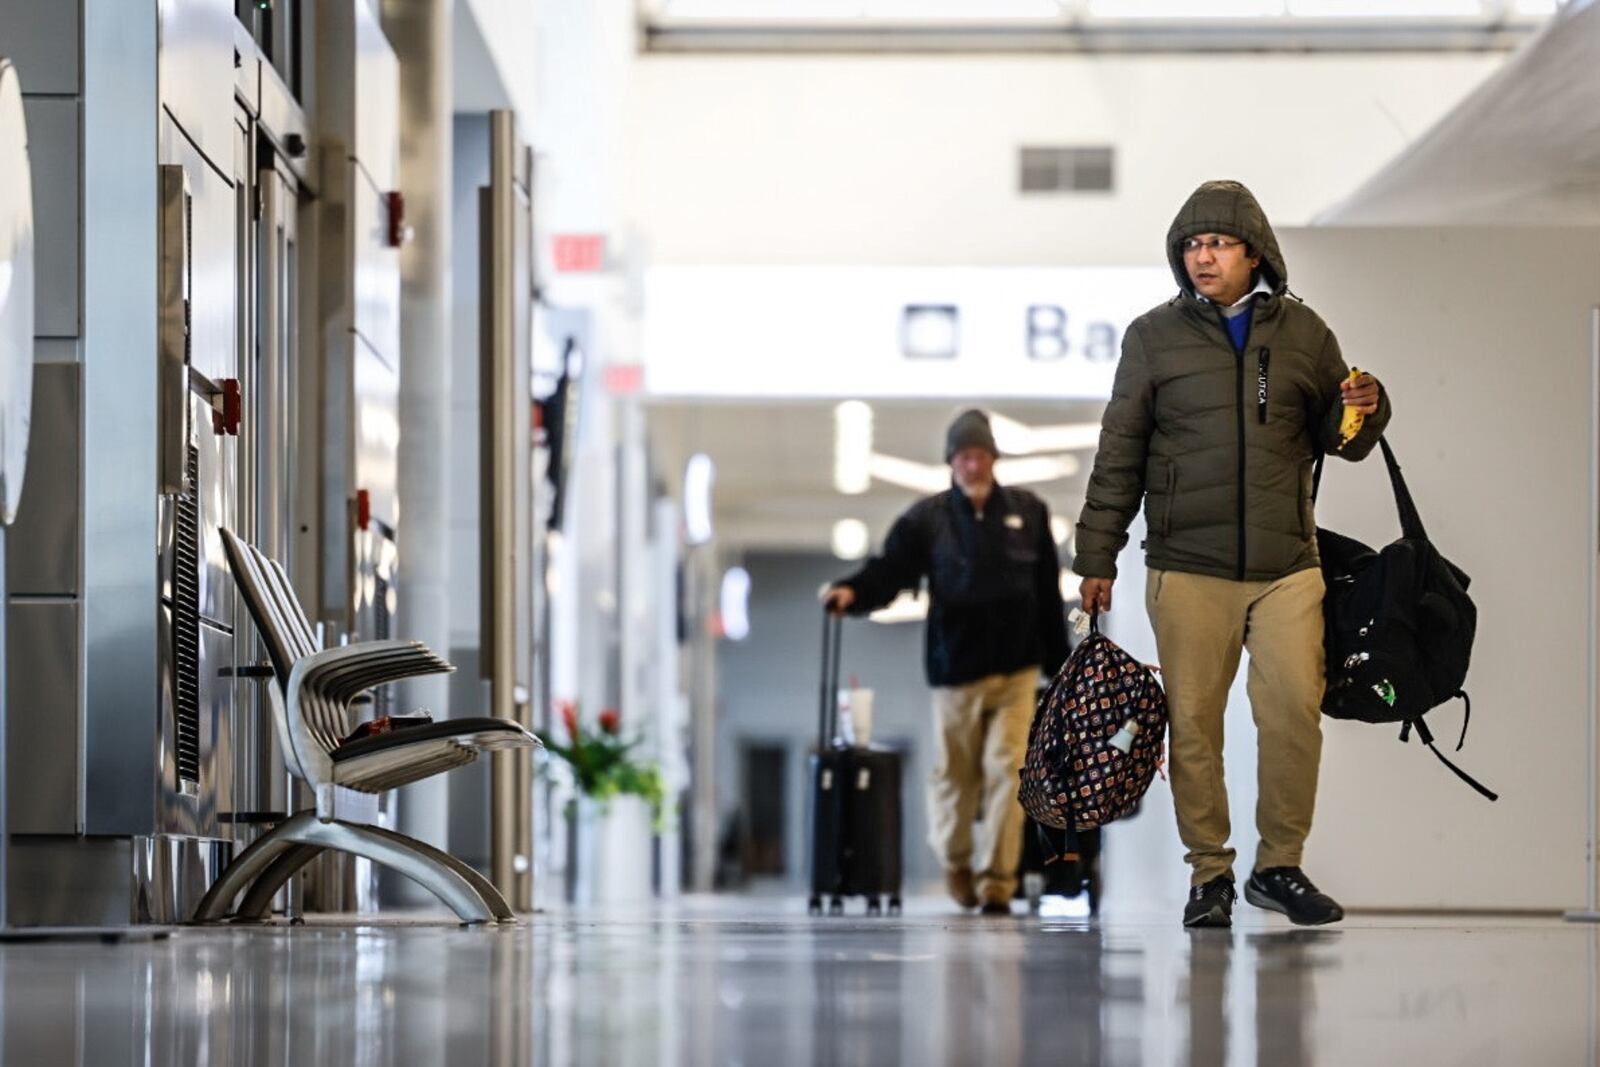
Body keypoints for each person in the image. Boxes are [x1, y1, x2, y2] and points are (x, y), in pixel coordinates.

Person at [1074, 179, 1390, 929]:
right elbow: (1119, 451)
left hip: (1287, 563)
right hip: (1187, 562)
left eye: (1216, 243)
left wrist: (1367, 411)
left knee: (1291, 716)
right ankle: (1209, 873)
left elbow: (1336, 440)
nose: (1201, 257)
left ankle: (1279, 865)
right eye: (1190, 245)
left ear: (1255, 252)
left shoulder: (1305, 334)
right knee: (1195, 725)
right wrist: (1096, 556)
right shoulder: (1152, 337)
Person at [822, 409, 1069, 915]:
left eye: (979, 456)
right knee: (955, 776)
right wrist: (854, 591)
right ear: (951, 463)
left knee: (1010, 771)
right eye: (962, 457)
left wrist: (1061, 666)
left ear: (993, 459)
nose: (971, 466)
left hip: (1018, 668)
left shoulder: (1030, 513)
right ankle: (957, 861)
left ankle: (999, 879)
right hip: (955, 670)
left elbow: (1046, 593)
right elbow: (890, 570)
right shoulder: (928, 520)